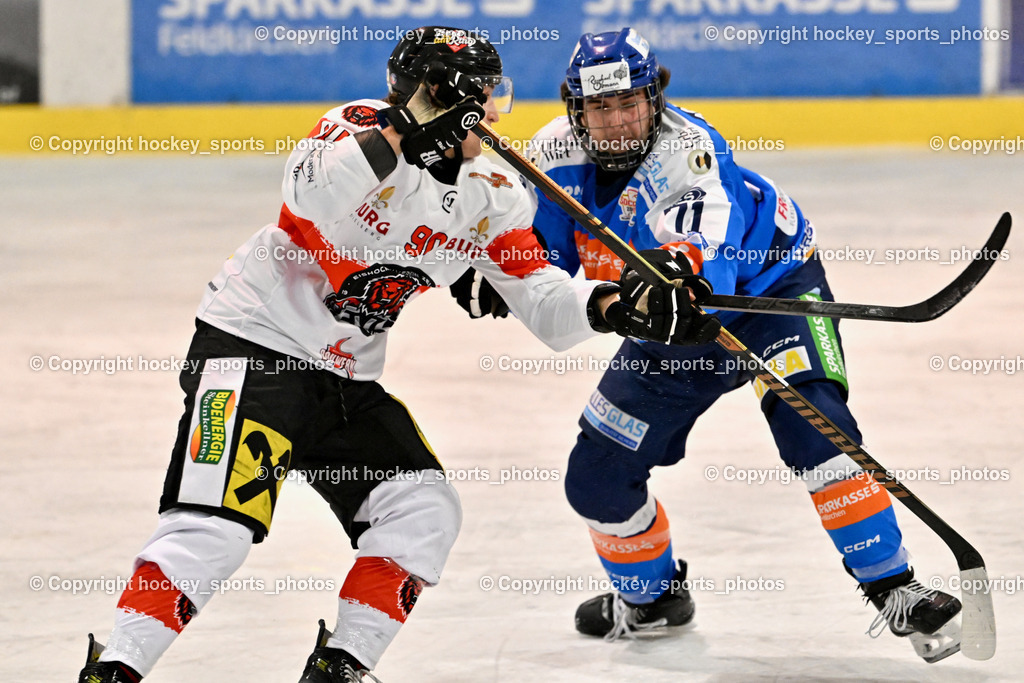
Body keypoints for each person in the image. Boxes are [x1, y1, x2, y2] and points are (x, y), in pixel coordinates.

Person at [76, 26, 708, 683]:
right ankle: (115, 669)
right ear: (443, 100)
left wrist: (610, 307)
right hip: (254, 346)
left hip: (345, 377)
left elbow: (541, 297)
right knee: (215, 527)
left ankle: (340, 667)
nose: (495, 112)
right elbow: (308, 194)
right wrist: (405, 135)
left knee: (421, 506)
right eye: (483, 98)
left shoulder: (493, 190)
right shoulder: (350, 130)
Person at [451, 27, 963, 663]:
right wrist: (502, 275)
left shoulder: (690, 150)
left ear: (654, 98)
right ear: (574, 108)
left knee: (818, 430)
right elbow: (542, 254)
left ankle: (896, 587)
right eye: (599, 109)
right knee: (597, 479)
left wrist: (677, 279)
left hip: (770, 292)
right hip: (667, 324)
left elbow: (700, 259)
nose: (616, 123)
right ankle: (655, 598)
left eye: (630, 104)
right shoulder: (553, 154)